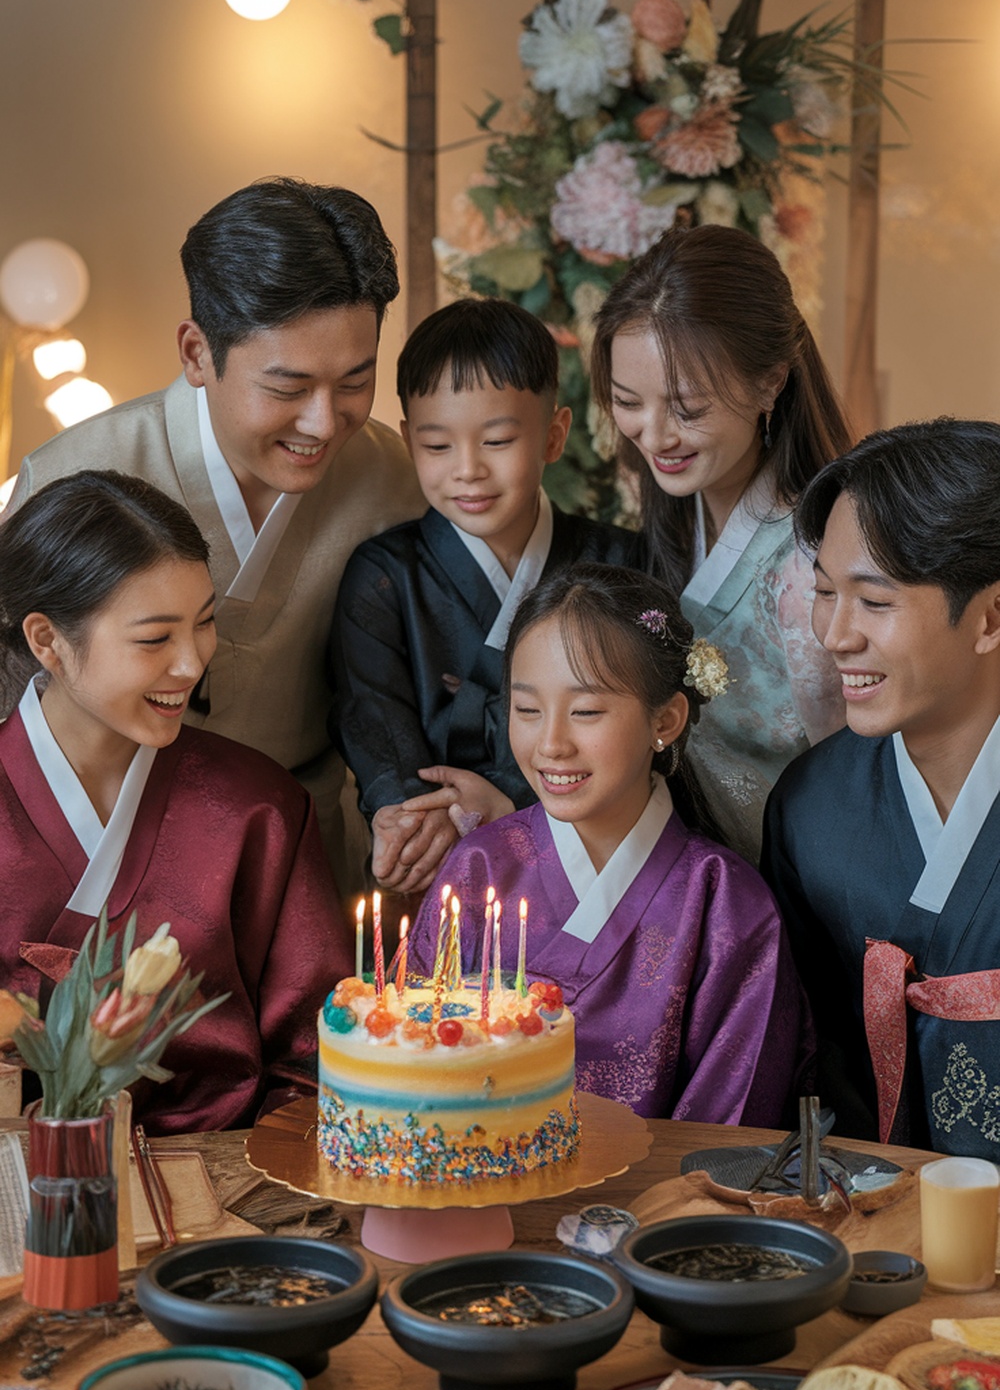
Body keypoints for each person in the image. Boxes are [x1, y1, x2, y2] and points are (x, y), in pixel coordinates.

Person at [5, 178, 424, 893]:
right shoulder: (71, 476)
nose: (324, 422)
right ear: (197, 353)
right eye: (288, 388)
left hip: (309, 849)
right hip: (106, 852)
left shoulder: (395, 479)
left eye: (356, 381)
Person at [0, 470, 352, 1134]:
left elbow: (318, 1060)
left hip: (232, 1181)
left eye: (205, 623)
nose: (192, 663)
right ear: (46, 640)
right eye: (155, 638)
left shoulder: (259, 809)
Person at [409, 564, 810, 1121]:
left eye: (586, 712)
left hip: (662, 1180)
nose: (551, 744)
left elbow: (731, 1127)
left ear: (665, 720)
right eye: (527, 710)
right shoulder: (479, 866)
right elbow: (409, 1056)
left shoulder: (727, 904)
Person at [329, 298, 640, 895]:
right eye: (437, 446)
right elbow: (372, 715)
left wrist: (510, 804)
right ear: (407, 440)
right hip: (439, 869)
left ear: (553, 436)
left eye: (496, 441)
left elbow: (639, 727)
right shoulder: (384, 575)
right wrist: (415, 815)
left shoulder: (618, 564)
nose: (467, 469)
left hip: (590, 861)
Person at [763, 419, 1000, 1154]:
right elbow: (809, 1063)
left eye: (874, 600)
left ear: (990, 617)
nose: (836, 635)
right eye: (824, 592)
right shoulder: (809, 809)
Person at [590, 223, 850, 860]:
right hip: (691, 868)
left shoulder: (813, 562)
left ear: (770, 382)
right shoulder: (679, 503)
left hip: (795, 882)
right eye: (627, 402)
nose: (654, 437)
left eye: (687, 409)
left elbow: (855, 776)